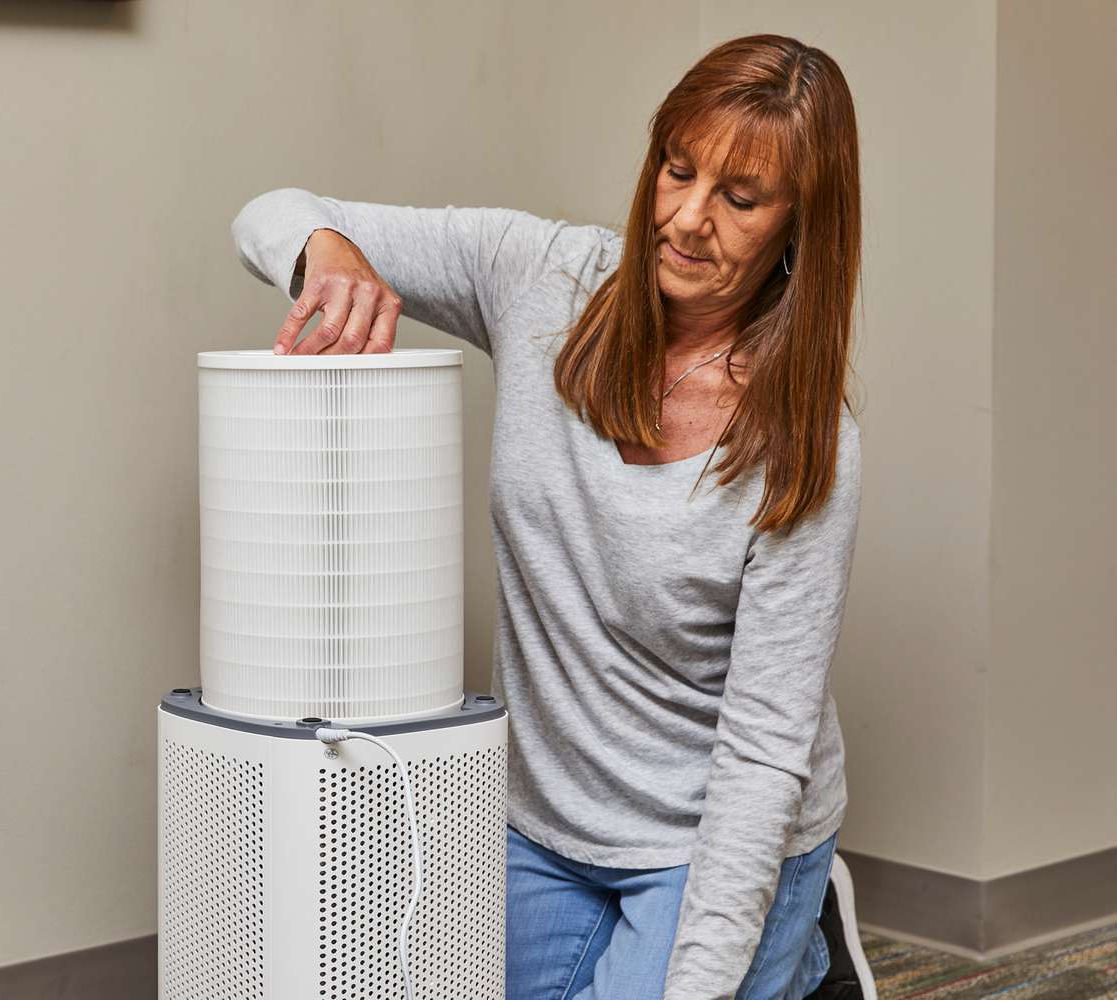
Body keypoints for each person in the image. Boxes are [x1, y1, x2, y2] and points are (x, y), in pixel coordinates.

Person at [230, 32, 878, 1000]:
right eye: (676, 169)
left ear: (800, 228)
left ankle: (800, 942)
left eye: (740, 200)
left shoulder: (807, 445)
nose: (688, 219)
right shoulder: (542, 277)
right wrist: (334, 261)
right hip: (541, 824)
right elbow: (274, 212)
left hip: (712, 837)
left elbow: (763, 748)